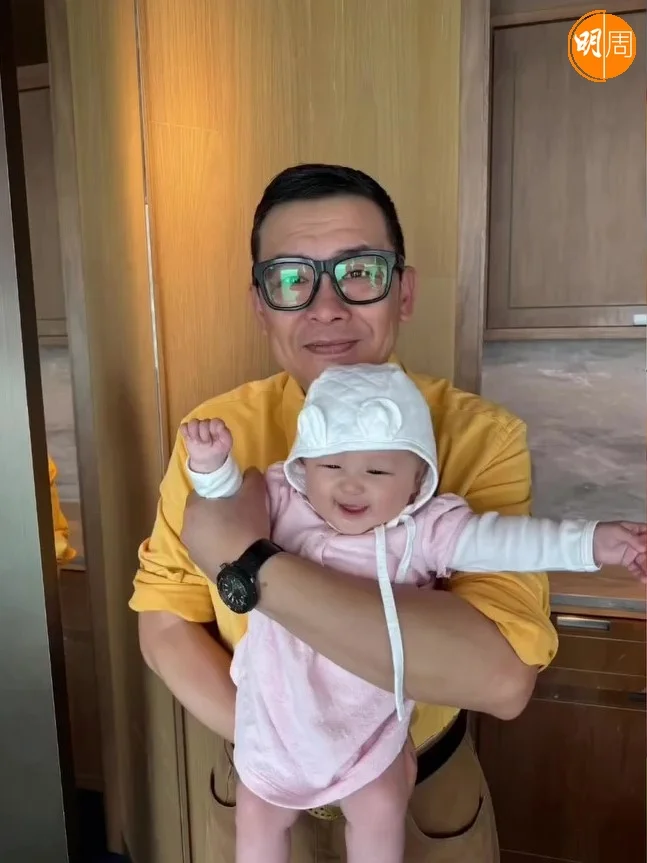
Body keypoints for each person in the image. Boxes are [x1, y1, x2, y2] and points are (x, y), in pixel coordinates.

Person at [130, 163, 566, 862]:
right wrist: (285, 747)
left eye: (359, 272)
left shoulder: (480, 437)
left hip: (420, 796)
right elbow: (164, 623)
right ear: (260, 304)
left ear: (404, 291)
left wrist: (248, 562)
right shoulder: (217, 435)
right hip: (259, 792)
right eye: (291, 279)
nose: (326, 307)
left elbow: (500, 677)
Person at [179, 361, 646, 863]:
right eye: (330, 467)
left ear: (417, 479)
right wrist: (211, 467)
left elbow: (510, 542)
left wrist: (595, 543)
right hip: (277, 714)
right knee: (257, 815)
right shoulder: (283, 503)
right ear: (303, 467)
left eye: (377, 471)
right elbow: (222, 510)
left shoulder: (422, 531)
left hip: (366, 728)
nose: (350, 486)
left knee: (379, 807)